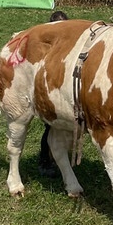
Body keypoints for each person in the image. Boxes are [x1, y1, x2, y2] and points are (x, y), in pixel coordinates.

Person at [38, 10, 70, 177]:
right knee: (50, 127)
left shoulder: (72, 42)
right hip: (50, 89)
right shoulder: (45, 45)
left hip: (66, 89)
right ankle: (45, 159)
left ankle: (65, 157)